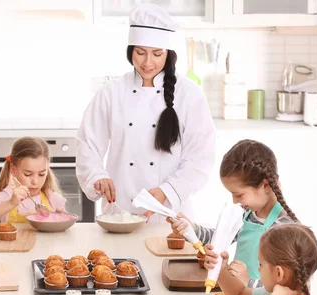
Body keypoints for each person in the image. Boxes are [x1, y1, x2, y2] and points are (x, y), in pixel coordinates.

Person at [76, 3, 215, 223]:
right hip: (120, 213)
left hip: (170, 217)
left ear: (168, 54)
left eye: (157, 54)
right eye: (140, 52)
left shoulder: (189, 95)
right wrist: (97, 176)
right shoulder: (111, 93)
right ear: (130, 51)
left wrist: (167, 191)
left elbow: (200, 158)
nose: (147, 62)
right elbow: (88, 144)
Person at [170, 140, 297, 287]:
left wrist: (248, 282)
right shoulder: (249, 214)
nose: (235, 201)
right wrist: (192, 230)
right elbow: (222, 237)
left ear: (265, 185)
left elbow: (288, 289)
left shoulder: (285, 230)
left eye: (239, 195)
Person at [0, 136, 67, 223]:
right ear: (13, 170)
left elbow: (66, 226)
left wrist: (61, 219)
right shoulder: (7, 196)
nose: (35, 181)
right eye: (28, 174)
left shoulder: (51, 198)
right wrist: (10, 203)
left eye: (41, 174)